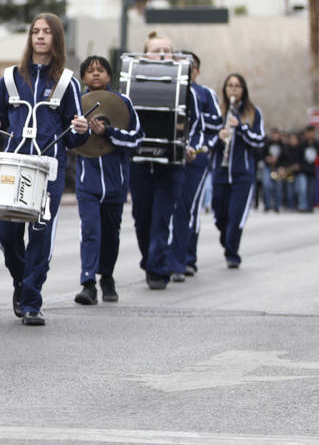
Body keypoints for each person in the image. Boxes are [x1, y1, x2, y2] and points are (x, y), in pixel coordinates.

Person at [0, 13, 88, 326]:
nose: (40, 36)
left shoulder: (67, 82)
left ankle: (31, 301)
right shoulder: (11, 77)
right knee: (7, 233)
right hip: (13, 165)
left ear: (56, 38)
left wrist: (81, 128)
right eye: (35, 31)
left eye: (46, 32)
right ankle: (21, 280)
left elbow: (78, 135)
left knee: (41, 233)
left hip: (48, 169)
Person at [128, 32, 203, 289]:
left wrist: (191, 145)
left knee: (161, 217)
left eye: (167, 50)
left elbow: (198, 124)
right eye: (156, 50)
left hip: (172, 164)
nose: (162, 54)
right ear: (145, 55)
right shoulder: (132, 82)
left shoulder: (186, 86)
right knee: (141, 217)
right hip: (139, 161)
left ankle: (157, 268)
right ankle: (150, 258)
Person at [71, 55, 143, 305]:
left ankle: (107, 277)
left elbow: (136, 138)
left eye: (101, 70)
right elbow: (67, 138)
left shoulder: (123, 102)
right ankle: (88, 283)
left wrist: (108, 132)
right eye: (90, 71)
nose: (96, 74)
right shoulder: (76, 103)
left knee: (111, 233)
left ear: (109, 76)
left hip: (115, 182)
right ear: (83, 78)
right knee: (90, 230)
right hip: (87, 181)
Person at [174, 51, 222, 277]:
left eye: (190, 66)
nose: (186, 68)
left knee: (189, 207)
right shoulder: (171, 89)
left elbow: (216, 122)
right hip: (172, 156)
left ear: (197, 71)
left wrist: (196, 116)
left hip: (197, 155)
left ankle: (187, 257)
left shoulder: (205, 94)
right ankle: (168, 256)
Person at [210, 73, 265, 268]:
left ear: (243, 89)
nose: (233, 89)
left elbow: (259, 140)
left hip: (242, 173)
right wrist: (219, 136)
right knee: (219, 214)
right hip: (221, 171)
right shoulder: (218, 111)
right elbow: (208, 141)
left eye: (237, 86)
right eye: (230, 86)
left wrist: (240, 128)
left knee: (236, 215)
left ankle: (232, 252)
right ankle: (228, 240)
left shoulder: (253, 113)